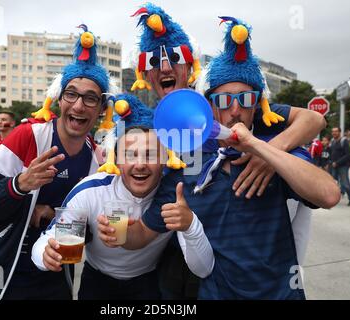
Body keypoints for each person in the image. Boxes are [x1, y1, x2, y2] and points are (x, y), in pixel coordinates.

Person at [99, 16, 340, 300]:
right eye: (224, 102)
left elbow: (328, 192)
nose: (235, 111)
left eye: (246, 100)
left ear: (258, 107)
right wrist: (120, 233)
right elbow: (141, 232)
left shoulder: (272, 151)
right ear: (211, 107)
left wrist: (264, 151)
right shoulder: (184, 168)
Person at [0, 25, 109, 300]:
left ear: (102, 108)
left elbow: (87, 230)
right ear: (59, 99)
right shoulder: (27, 136)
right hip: (2, 270)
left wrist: (58, 215)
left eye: (90, 98)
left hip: (53, 275)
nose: (79, 106)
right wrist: (19, 185)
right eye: (71, 94)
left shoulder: (98, 159)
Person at [32, 94, 214, 299]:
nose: (140, 164)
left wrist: (190, 225)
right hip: (96, 281)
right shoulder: (92, 193)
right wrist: (45, 255)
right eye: (130, 154)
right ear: (116, 161)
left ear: (165, 160)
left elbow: (203, 267)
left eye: (150, 154)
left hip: (148, 282)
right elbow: (49, 239)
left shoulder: (174, 195)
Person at [330, 127, 350, 206]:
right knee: (334, 184)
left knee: (345, 184)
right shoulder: (332, 141)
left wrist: (337, 162)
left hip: (343, 166)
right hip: (334, 165)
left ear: (339, 132)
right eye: (333, 132)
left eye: (336, 131)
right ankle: (334, 200)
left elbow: (348, 155)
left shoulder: (344, 141)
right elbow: (332, 153)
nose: (334, 133)